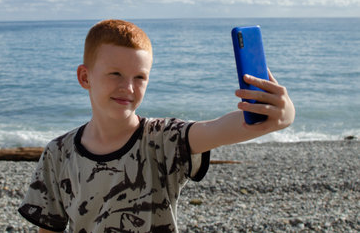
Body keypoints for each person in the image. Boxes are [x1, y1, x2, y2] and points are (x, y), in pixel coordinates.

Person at [18, 19, 295, 232]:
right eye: (115, 73)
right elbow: (49, 227)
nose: (127, 87)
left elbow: (220, 128)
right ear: (84, 76)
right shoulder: (58, 153)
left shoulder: (164, 139)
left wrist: (281, 114)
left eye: (139, 77)